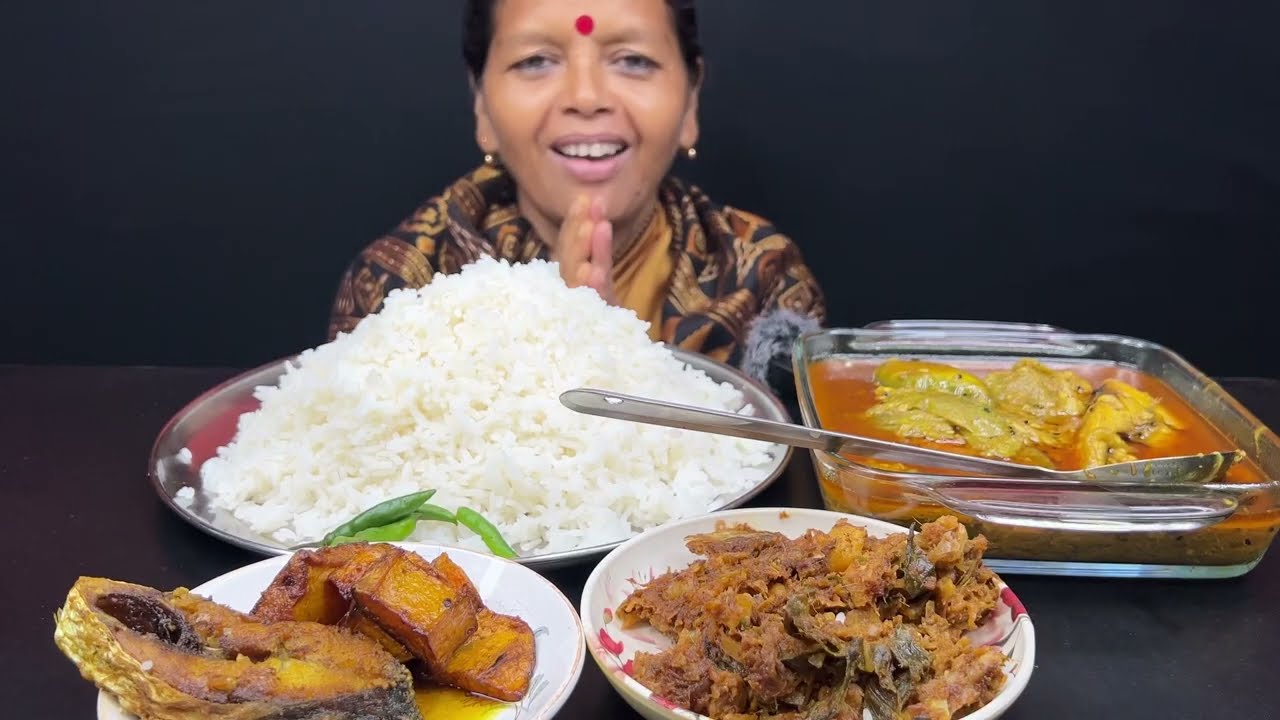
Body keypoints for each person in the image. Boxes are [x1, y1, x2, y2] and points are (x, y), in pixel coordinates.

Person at [329, 0, 826, 384]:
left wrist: (612, 357)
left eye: (632, 60)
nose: (586, 98)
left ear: (691, 100)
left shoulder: (761, 277)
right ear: (481, 104)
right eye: (536, 61)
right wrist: (556, 339)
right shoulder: (401, 284)